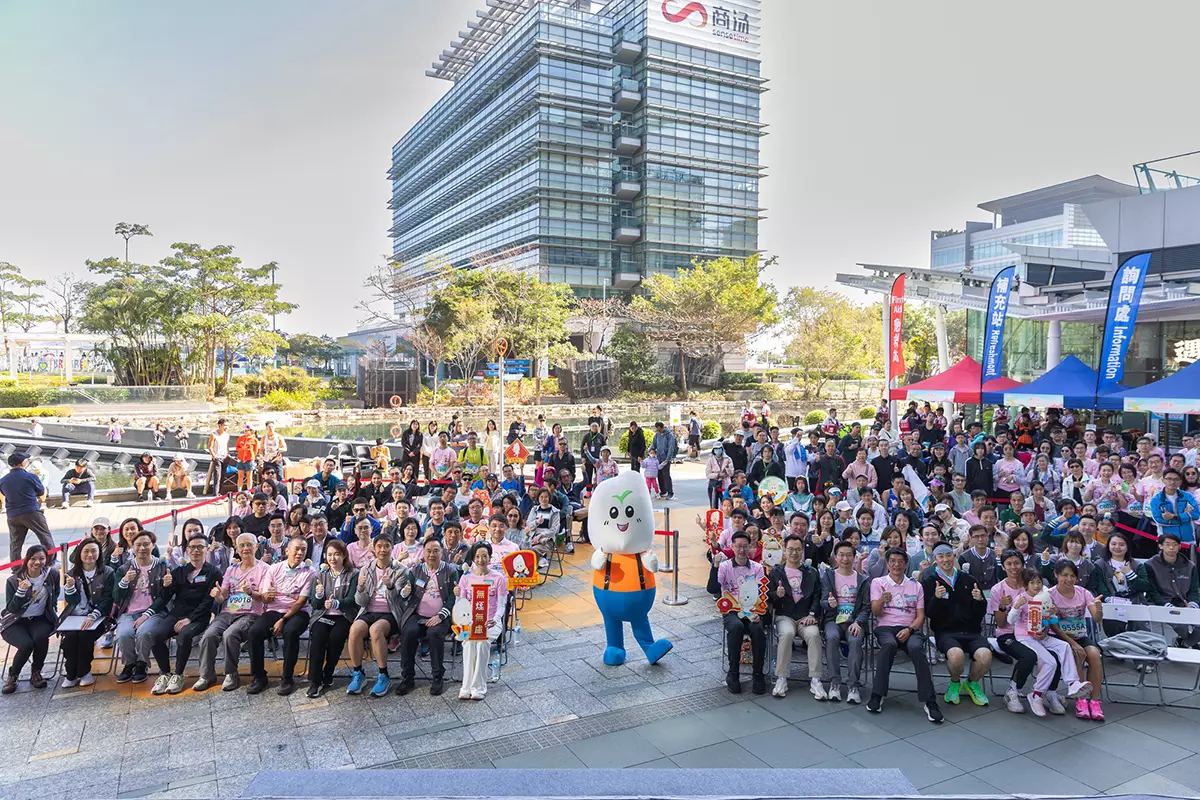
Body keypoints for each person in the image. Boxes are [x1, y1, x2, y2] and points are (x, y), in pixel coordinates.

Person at [867, 548, 942, 723]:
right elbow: (875, 612)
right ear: (887, 563)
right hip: (886, 627)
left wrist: (909, 630)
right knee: (889, 645)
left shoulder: (916, 585)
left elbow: (920, 616)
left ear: (906, 564)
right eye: (892, 561)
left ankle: (930, 701)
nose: (896, 565)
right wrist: (882, 600)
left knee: (916, 647)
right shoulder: (878, 582)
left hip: (911, 628)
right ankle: (877, 694)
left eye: (900, 561)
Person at [1007, 569, 1092, 717]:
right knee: (1050, 662)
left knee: (1064, 646)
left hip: (1041, 636)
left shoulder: (1045, 597)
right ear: (1026, 584)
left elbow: (1049, 621)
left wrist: (1052, 614)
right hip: (1025, 637)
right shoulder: (1022, 598)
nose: (1036, 585)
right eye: (1032, 582)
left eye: (1038, 582)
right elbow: (1011, 621)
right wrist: (1016, 607)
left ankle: (1072, 683)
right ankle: (1037, 694)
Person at [193, 533, 270, 692]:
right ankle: (206, 675)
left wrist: (250, 592)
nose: (246, 548)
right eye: (242, 545)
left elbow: (264, 597)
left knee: (230, 635)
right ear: (237, 548)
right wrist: (217, 594)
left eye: (249, 544)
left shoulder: (264, 569)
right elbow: (223, 596)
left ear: (256, 546)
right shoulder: (231, 569)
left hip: (251, 614)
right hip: (229, 612)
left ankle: (231, 673)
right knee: (208, 636)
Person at [148, 532, 222, 695]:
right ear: (187, 550)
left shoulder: (214, 573)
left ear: (207, 549)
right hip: (177, 614)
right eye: (192, 547)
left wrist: (190, 618)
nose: (196, 551)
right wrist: (166, 586)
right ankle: (165, 673)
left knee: (184, 635)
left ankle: (178, 674)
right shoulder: (179, 572)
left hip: (199, 617)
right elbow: (166, 597)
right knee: (156, 635)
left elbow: (208, 601)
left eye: (200, 547)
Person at [922, 544, 991, 707]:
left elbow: (981, 612)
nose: (945, 560)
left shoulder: (969, 579)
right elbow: (929, 613)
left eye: (948, 555)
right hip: (946, 632)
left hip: (971, 631)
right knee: (956, 656)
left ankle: (971, 683)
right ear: (935, 559)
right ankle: (954, 683)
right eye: (941, 556)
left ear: (954, 557)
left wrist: (979, 600)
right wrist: (936, 599)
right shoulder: (930, 581)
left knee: (985, 656)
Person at [246, 537, 315, 696]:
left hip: (298, 612)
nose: (299, 553)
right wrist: (266, 596)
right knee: (254, 632)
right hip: (274, 609)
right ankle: (259, 676)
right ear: (287, 550)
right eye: (296, 549)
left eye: (303, 550)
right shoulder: (274, 569)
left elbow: (300, 602)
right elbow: (265, 597)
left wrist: (283, 620)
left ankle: (287, 678)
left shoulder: (309, 572)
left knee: (291, 632)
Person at [397, 538, 456, 697]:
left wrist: (441, 615)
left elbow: (453, 597)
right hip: (417, 614)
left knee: (434, 633)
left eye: (436, 551)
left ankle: (437, 676)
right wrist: (405, 592)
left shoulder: (450, 571)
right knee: (408, 633)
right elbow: (405, 594)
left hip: (441, 616)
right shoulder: (415, 571)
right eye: (428, 551)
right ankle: (407, 677)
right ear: (423, 552)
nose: (432, 554)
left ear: (441, 552)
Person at [347, 533, 404, 697]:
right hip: (369, 611)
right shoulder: (367, 569)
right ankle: (358, 673)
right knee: (355, 629)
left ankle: (383, 675)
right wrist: (360, 589)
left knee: (376, 630)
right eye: (379, 546)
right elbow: (361, 602)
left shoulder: (400, 570)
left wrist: (390, 587)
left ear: (392, 548)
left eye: (386, 546)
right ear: (374, 548)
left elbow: (400, 600)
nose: (383, 550)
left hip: (390, 613)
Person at [111, 530, 172, 684]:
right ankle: (129, 664)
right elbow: (116, 597)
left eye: (146, 544)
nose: (142, 548)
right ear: (132, 547)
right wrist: (124, 581)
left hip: (154, 613)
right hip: (129, 612)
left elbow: (165, 597)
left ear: (153, 545)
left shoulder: (163, 566)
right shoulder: (124, 568)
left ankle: (141, 664)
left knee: (144, 633)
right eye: (138, 545)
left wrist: (167, 586)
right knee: (123, 634)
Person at [1050, 559, 1106, 720]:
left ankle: (1094, 701)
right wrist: (1072, 643)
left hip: (1080, 636)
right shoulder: (1050, 595)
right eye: (1064, 575)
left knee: (1094, 655)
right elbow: (1053, 625)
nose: (1069, 579)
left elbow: (1096, 618)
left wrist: (1099, 609)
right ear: (1056, 575)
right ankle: (1080, 700)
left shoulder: (1083, 592)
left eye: (1072, 576)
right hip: (1059, 637)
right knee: (1076, 654)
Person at [767, 534, 822, 699]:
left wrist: (812, 614)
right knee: (787, 634)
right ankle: (781, 678)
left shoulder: (811, 572)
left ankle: (816, 679)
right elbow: (768, 596)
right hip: (785, 615)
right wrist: (776, 594)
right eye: (790, 549)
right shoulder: (776, 571)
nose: (794, 553)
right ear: (784, 550)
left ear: (802, 551)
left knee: (814, 635)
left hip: (806, 616)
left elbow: (817, 596)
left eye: (798, 550)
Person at [715, 531, 767, 694]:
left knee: (758, 629)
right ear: (732, 547)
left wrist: (757, 613)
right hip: (732, 610)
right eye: (738, 546)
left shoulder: (758, 568)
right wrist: (715, 566)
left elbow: (761, 593)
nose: (742, 550)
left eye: (745, 546)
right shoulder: (725, 566)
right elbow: (712, 588)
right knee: (736, 627)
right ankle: (733, 673)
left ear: (750, 547)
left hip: (753, 610)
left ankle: (758, 674)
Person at [57, 537, 113, 688]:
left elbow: (108, 599)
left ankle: (84, 672)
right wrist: (70, 587)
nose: (90, 555)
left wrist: (93, 616)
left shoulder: (107, 572)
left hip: (99, 617)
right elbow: (72, 601)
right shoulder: (71, 573)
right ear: (79, 554)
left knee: (85, 636)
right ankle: (71, 673)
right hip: (74, 617)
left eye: (94, 551)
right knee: (70, 638)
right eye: (86, 551)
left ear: (99, 553)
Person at [2, 545, 58, 693]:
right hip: (15, 621)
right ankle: (13, 675)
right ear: (26, 560)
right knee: (26, 644)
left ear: (46, 560)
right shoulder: (13, 580)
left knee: (41, 637)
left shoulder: (52, 575)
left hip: (40, 619)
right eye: (33, 558)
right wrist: (21, 591)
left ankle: (36, 673)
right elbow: (11, 608)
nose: (37, 562)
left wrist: (53, 614)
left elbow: (55, 595)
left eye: (41, 558)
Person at [820, 539, 869, 703]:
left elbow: (866, 607)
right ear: (836, 557)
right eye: (841, 555)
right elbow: (822, 601)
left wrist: (858, 622)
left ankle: (853, 685)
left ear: (854, 557)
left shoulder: (862, 579)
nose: (845, 559)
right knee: (831, 637)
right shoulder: (829, 576)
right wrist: (829, 603)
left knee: (855, 641)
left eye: (849, 555)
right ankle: (834, 683)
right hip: (833, 620)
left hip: (854, 622)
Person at [458, 541, 508, 700]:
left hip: (491, 622)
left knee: (482, 643)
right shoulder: (466, 578)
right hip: (470, 622)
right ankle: (466, 686)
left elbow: (502, 605)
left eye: (484, 556)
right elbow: (461, 603)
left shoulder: (498, 578)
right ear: (473, 558)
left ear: (490, 557)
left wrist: (495, 619)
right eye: (477, 556)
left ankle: (479, 688)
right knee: (468, 643)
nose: (481, 560)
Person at [1, 452, 54, 565]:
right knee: (45, 537)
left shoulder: (3, 480)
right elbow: (41, 491)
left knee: (15, 544)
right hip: (31, 512)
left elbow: (4, 493)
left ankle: (15, 567)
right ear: (23, 463)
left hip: (12, 515)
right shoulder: (30, 476)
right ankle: (51, 562)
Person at [1150, 469, 1199, 543]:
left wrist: (1173, 516)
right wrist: (1185, 518)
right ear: (1163, 480)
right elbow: (1159, 520)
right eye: (1169, 479)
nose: (1172, 482)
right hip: (1167, 540)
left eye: (1176, 479)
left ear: (1180, 481)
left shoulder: (1187, 496)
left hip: (1188, 539)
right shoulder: (1156, 499)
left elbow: (1196, 515)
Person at [205, 418, 231, 496]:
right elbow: (210, 447)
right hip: (217, 457)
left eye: (227, 426)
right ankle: (215, 493)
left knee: (223, 476)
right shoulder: (214, 435)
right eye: (225, 425)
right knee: (217, 476)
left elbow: (226, 446)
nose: (226, 427)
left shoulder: (227, 435)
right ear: (220, 425)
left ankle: (220, 492)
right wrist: (214, 456)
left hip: (225, 457)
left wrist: (228, 454)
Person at [651, 422, 678, 499]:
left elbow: (671, 447)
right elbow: (654, 444)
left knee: (666, 475)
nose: (658, 431)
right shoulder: (657, 434)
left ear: (662, 427)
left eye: (659, 429)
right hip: (658, 458)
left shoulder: (669, 435)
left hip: (666, 458)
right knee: (659, 475)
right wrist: (652, 449)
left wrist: (668, 459)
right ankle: (663, 491)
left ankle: (670, 492)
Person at [234, 424, 259, 494]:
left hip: (249, 460)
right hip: (240, 459)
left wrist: (252, 457)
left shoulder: (254, 440)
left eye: (247, 430)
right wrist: (242, 449)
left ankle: (249, 491)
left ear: (251, 431)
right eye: (245, 430)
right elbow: (237, 448)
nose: (245, 431)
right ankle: (239, 491)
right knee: (240, 476)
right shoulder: (240, 438)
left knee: (249, 476)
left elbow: (255, 450)